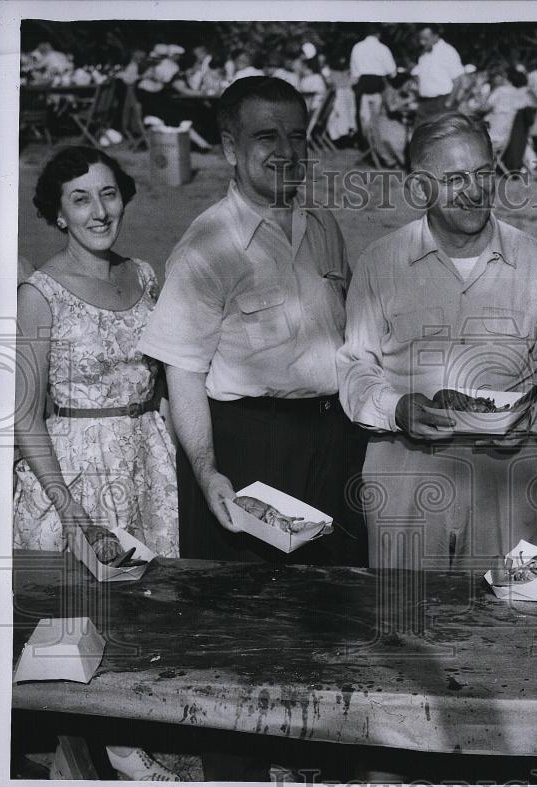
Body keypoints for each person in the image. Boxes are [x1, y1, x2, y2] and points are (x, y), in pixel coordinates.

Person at [138, 77, 366, 572]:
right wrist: (207, 470)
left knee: (335, 603)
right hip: (253, 448)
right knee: (251, 610)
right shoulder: (206, 246)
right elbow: (183, 373)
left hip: (333, 438)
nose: (286, 151)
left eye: (298, 135)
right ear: (229, 148)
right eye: (267, 137)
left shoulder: (323, 225)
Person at [13, 146, 179, 781]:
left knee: (140, 602)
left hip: (145, 456)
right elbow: (25, 412)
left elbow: (164, 379)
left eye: (108, 194)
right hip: (74, 468)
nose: (98, 210)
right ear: (56, 214)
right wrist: (70, 509)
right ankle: (84, 753)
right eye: (80, 198)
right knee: (76, 613)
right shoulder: (42, 292)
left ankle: (125, 733)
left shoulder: (144, 275)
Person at [338, 113, 537, 571]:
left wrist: (534, 413)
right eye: (456, 179)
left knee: (503, 622)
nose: (476, 191)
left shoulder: (533, 259)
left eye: (483, 173)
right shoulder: (381, 262)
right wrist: (397, 409)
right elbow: (357, 367)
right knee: (405, 622)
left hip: (507, 472)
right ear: (421, 187)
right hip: (406, 468)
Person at [350, 27, 397, 149]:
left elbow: (354, 73)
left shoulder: (357, 47)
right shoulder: (383, 49)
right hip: (378, 86)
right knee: (376, 120)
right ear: (378, 34)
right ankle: (376, 148)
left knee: (364, 119)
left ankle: (367, 146)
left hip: (363, 85)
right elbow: (392, 72)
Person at [411, 26, 465, 122]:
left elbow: (458, 80)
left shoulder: (448, 51)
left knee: (440, 134)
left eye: (426, 39)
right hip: (424, 103)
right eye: (421, 39)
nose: (422, 42)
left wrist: (448, 103)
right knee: (420, 134)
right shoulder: (423, 55)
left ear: (435, 36)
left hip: (442, 102)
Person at [478, 68, 535, 154]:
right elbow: (533, 104)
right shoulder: (518, 93)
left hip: (491, 135)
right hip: (505, 137)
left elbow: (484, 108)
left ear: (507, 79)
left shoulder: (500, 91)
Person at [372, 72, 417, 168]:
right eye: (408, 84)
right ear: (402, 83)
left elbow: (399, 109)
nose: (409, 87)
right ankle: (406, 163)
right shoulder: (389, 91)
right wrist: (407, 101)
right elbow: (391, 108)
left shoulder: (399, 92)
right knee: (402, 138)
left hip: (393, 123)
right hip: (384, 124)